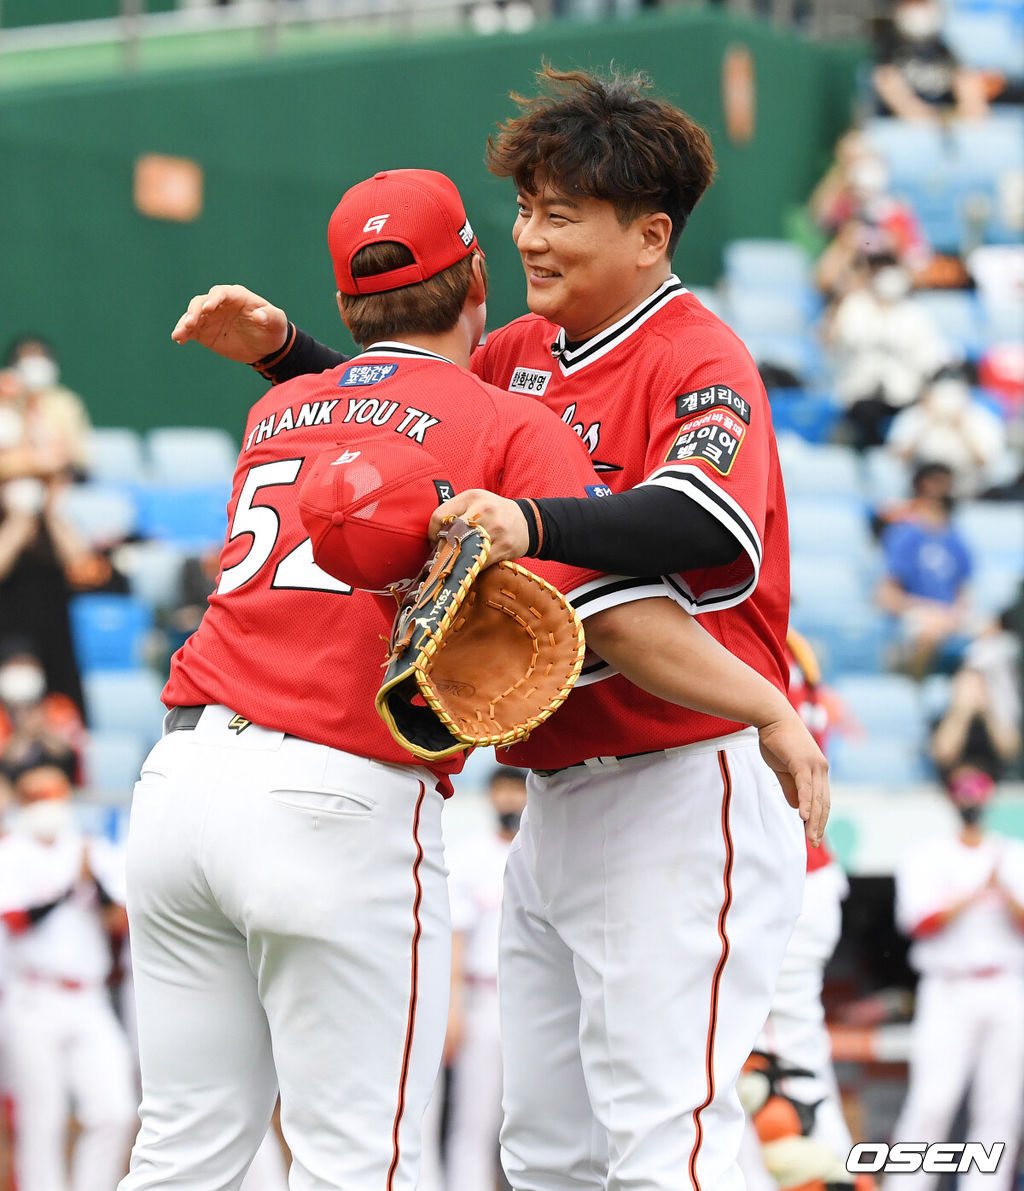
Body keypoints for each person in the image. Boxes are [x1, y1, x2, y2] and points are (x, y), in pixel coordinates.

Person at [170, 65, 828, 1191]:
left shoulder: (696, 355)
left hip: (683, 774)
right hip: (554, 794)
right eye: (523, 209)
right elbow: (423, 427)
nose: (529, 237)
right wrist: (290, 358)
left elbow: (702, 520)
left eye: (561, 214)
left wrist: (529, 516)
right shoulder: (516, 353)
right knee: (545, 1154)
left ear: (650, 234)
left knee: (669, 1140)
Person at [0, 745, 137, 1191]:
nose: (49, 802)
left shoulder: (91, 848)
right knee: (43, 1121)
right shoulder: (11, 852)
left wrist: (92, 885)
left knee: (116, 1111)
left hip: (90, 999)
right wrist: (67, 889)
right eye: (38, 794)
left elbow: (122, 922)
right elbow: (17, 922)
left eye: (55, 791)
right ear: (23, 802)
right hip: (35, 997)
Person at [886, 770, 1024, 1191]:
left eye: (978, 793)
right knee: (933, 1099)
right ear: (951, 799)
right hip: (949, 987)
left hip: (1007, 985)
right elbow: (918, 922)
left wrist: (1002, 891)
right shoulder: (927, 855)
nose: (971, 802)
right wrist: (973, 892)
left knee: (999, 1107)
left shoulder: (1012, 853)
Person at [823, 250, 952, 450]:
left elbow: (932, 357)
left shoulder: (915, 313)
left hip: (904, 394)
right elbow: (835, 341)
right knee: (864, 415)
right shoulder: (854, 306)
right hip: (859, 394)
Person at [875, 461, 974, 678]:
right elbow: (887, 596)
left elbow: (963, 594)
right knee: (929, 631)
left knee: (992, 638)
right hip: (917, 613)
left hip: (949, 616)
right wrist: (930, 610)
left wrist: (953, 616)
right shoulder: (904, 535)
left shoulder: (957, 539)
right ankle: (914, 687)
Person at [871, 0, 990, 123]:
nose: (918, 11)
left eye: (922, 4)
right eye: (913, 4)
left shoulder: (942, 45)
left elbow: (965, 81)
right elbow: (887, 81)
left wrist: (971, 108)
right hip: (899, 125)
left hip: (942, 121)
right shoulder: (887, 44)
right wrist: (916, 113)